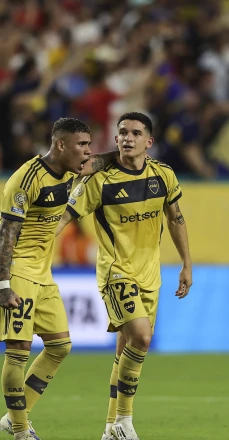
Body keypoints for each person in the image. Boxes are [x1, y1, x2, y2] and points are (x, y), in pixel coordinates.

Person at [56, 112, 192, 440]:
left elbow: (175, 218)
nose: (128, 138)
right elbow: (62, 219)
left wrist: (187, 264)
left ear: (149, 141)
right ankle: (125, 421)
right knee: (142, 339)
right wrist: (27, 249)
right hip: (116, 273)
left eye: (135, 133)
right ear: (115, 139)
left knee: (125, 351)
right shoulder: (98, 181)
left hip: (150, 276)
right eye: (122, 132)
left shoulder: (163, 175)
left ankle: (109, 428)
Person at [0, 117, 120, 440]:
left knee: (60, 346)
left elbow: (99, 162)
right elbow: (6, 233)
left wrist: (126, 153)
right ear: (60, 145)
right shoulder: (26, 179)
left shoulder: (72, 169)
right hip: (19, 271)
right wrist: (3, 285)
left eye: (89, 144)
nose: (87, 151)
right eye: (82, 145)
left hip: (44, 273)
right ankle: (21, 431)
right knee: (18, 350)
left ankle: (13, 417)